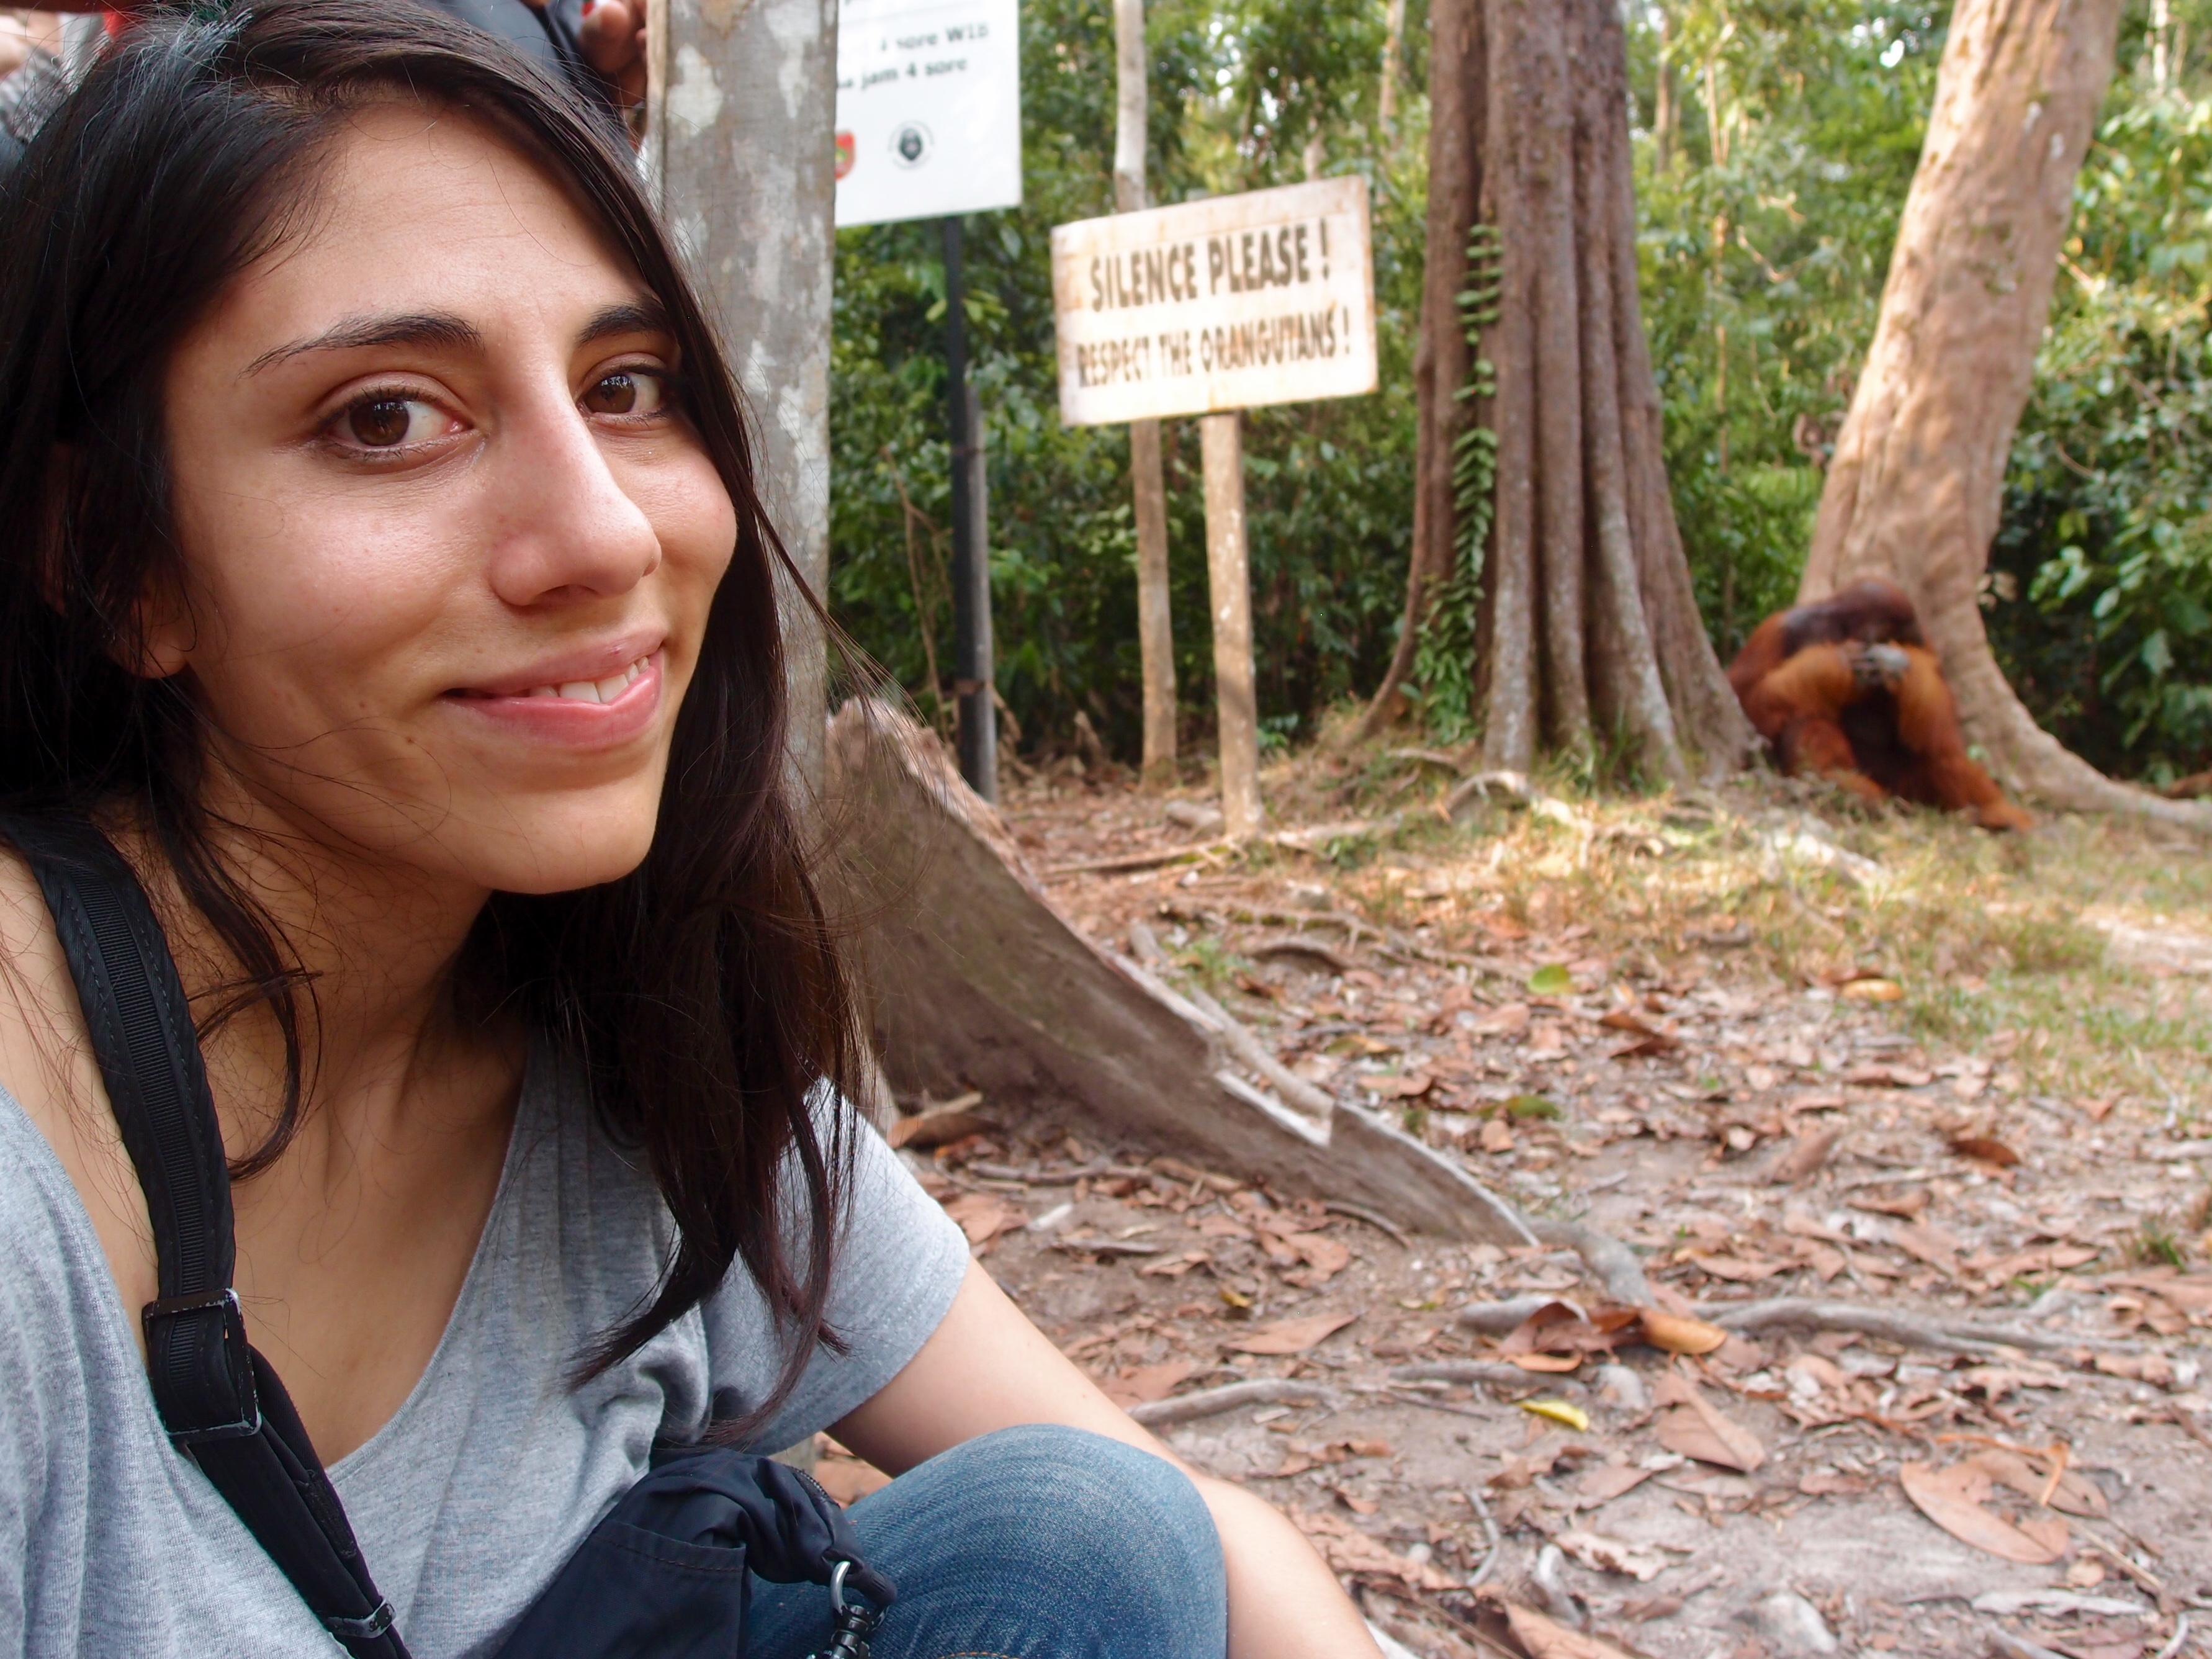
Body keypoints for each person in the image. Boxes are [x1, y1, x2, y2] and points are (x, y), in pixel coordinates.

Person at [0, 3, 1388, 1657]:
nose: (597, 533)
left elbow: (1188, 1530)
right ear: (112, 558)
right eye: (386, 415)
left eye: (627, 383)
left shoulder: (633, 1047)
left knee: (1077, 1532)